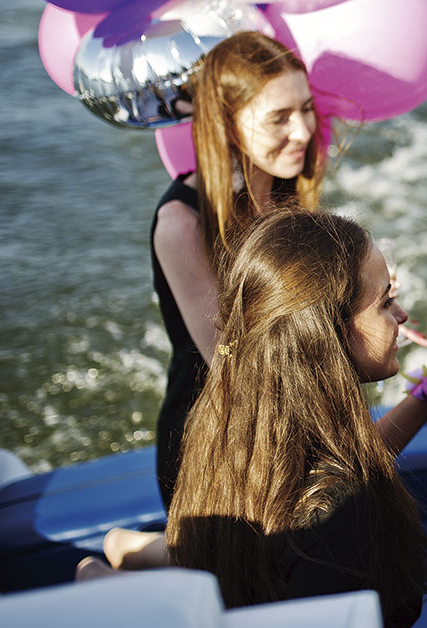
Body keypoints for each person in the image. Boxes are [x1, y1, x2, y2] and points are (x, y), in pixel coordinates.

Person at [159, 210, 427, 626]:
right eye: (387, 302)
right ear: (326, 333)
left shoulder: (226, 433)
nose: (403, 315)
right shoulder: (343, 517)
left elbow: (347, 457)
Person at [151, 31, 327, 511]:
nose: (304, 131)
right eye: (279, 118)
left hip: (291, 419)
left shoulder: (286, 192)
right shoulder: (181, 224)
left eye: (306, 108)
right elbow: (230, 360)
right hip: (215, 448)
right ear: (225, 124)